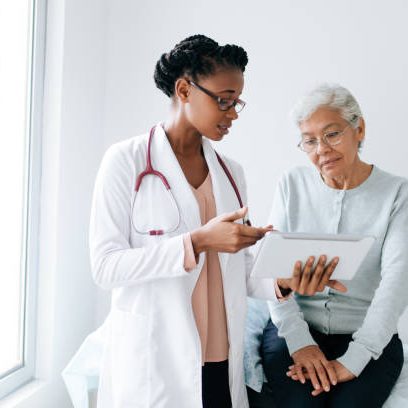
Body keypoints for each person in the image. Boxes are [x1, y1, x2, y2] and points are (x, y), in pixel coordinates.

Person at [72, 36, 342, 408]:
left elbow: (237, 270)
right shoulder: (126, 161)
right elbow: (105, 267)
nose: (232, 114)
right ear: (184, 89)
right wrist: (196, 242)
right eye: (224, 100)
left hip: (219, 355)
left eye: (237, 103)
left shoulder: (232, 174)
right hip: (156, 358)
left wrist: (282, 280)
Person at [245, 83, 408, 408]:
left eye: (332, 134)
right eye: (309, 141)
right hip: (294, 330)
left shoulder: (397, 194)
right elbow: (272, 273)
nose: (321, 149)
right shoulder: (291, 184)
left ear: (358, 129)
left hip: (367, 336)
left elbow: (396, 284)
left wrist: (356, 358)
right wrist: (300, 342)